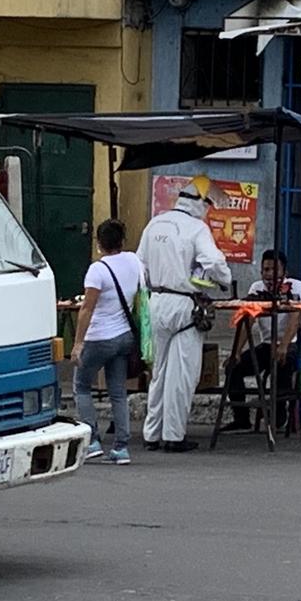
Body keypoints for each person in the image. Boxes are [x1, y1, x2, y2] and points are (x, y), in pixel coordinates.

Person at [137, 176, 231, 452]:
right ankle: (174, 436)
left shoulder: (155, 224)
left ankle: (151, 434)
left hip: (156, 302)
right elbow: (213, 262)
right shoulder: (196, 228)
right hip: (184, 305)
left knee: (159, 373)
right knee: (183, 374)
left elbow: (140, 264)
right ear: (200, 203)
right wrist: (223, 277)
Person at [71, 219, 143, 465]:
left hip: (99, 337)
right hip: (124, 337)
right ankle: (122, 447)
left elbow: (87, 309)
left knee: (81, 386)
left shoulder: (97, 270)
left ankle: (92, 441)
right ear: (122, 241)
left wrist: (78, 344)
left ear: (99, 243)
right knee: (118, 392)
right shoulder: (134, 261)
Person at [221, 249, 301, 432]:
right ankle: (241, 418)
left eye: (273, 270)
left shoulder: (295, 286)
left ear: (284, 271)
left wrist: (284, 345)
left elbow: (295, 319)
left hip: (293, 345)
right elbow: (248, 322)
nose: (269, 274)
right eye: (266, 270)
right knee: (233, 368)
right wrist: (236, 352)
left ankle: (279, 416)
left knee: (282, 364)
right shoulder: (256, 288)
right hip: (267, 345)